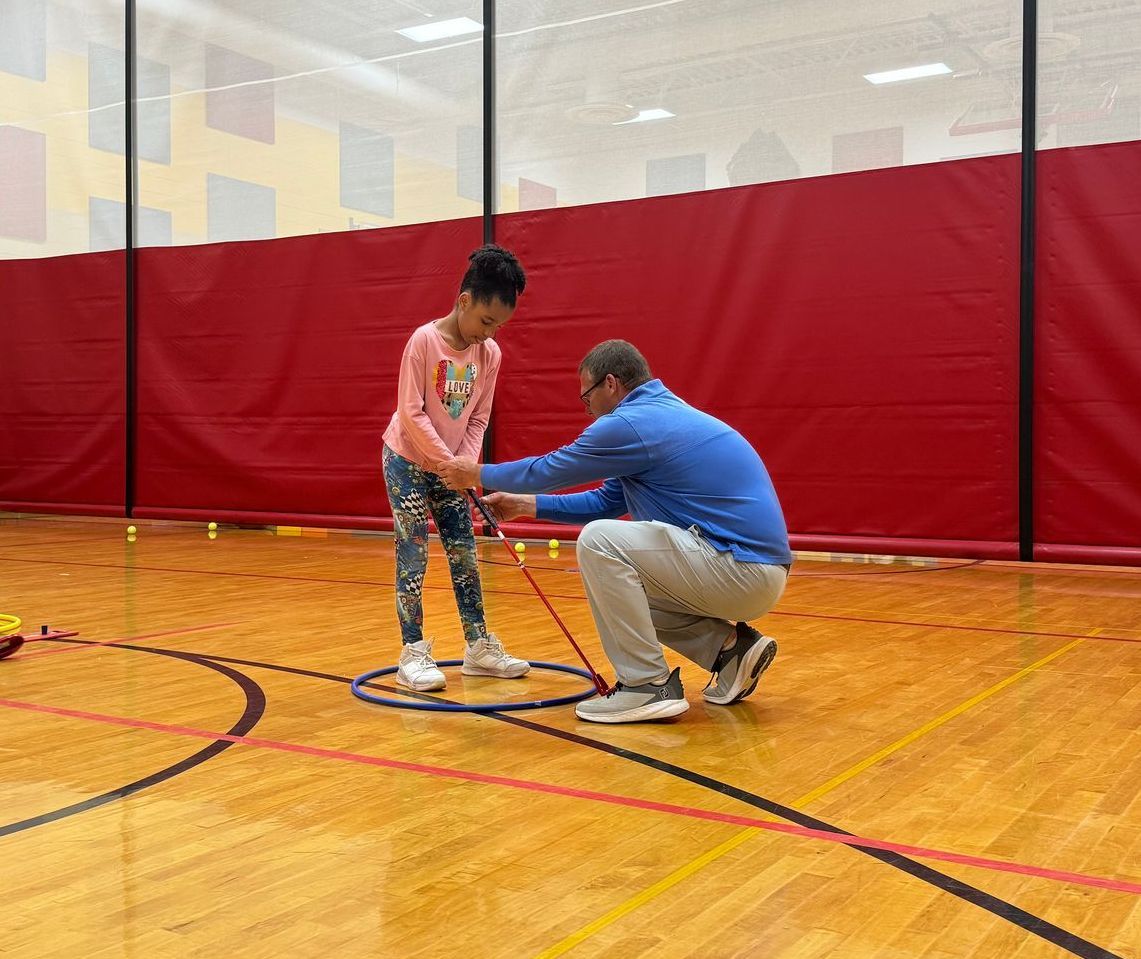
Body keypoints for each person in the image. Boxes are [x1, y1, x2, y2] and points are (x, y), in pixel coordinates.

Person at [437, 339, 792, 724]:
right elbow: (606, 502)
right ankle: (730, 652)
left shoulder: (629, 423)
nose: (585, 407)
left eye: (586, 395)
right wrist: (525, 505)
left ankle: (645, 686)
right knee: (626, 592)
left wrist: (475, 473)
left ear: (611, 384)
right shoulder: (659, 416)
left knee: (600, 541)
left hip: (738, 567)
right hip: (750, 571)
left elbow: (552, 468)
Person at [381, 244, 530, 692]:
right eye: (486, 322)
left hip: (452, 469)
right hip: (407, 459)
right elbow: (411, 411)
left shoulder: (491, 355)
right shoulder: (423, 342)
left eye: (499, 326)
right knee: (414, 552)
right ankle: (413, 653)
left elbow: (480, 415)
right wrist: (448, 463)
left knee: (464, 553)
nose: (489, 334)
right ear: (464, 301)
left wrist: (465, 466)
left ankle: (478, 647)